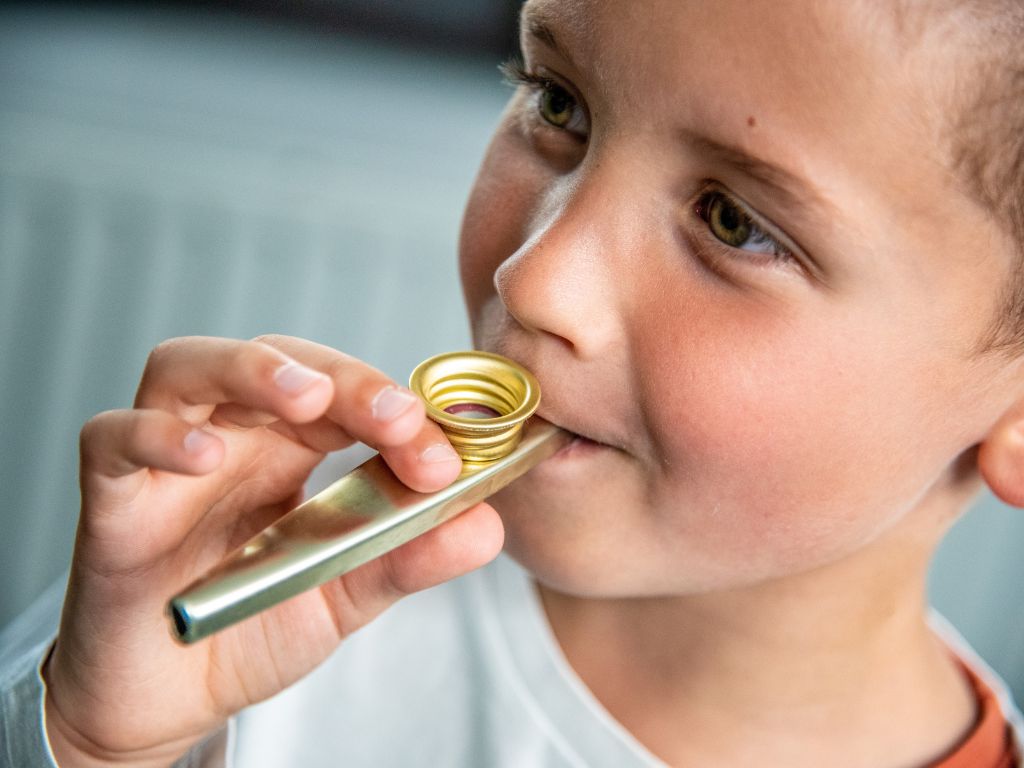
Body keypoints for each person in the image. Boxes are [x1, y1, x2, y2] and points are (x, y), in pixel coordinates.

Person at [3, 0, 1024, 765]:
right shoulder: (259, 613)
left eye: (733, 224)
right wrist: (92, 738)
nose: (534, 277)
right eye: (558, 102)